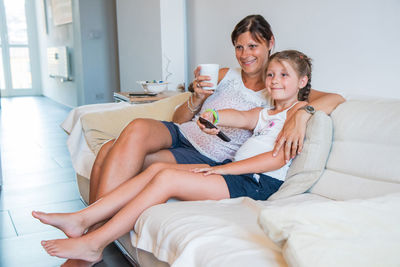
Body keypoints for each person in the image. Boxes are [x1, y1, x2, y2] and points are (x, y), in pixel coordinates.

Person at [33, 50, 316, 264]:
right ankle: (82, 219)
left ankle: (94, 242)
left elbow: (276, 160)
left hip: (256, 183)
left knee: (166, 177)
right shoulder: (267, 113)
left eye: (284, 75)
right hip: (237, 173)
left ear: (302, 81)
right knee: (155, 171)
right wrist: (213, 114)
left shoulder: (298, 114)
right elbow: (239, 117)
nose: (274, 81)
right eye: (271, 74)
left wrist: (224, 171)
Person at [88, 14, 345, 208]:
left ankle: (93, 232)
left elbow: (335, 98)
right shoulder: (223, 74)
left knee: (112, 151)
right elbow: (178, 119)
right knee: (134, 129)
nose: (245, 55)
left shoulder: (278, 86)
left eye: (253, 46)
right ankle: (91, 230)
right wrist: (197, 97)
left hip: (208, 156)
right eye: (239, 47)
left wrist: (302, 113)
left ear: (270, 43)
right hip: (182, 134)